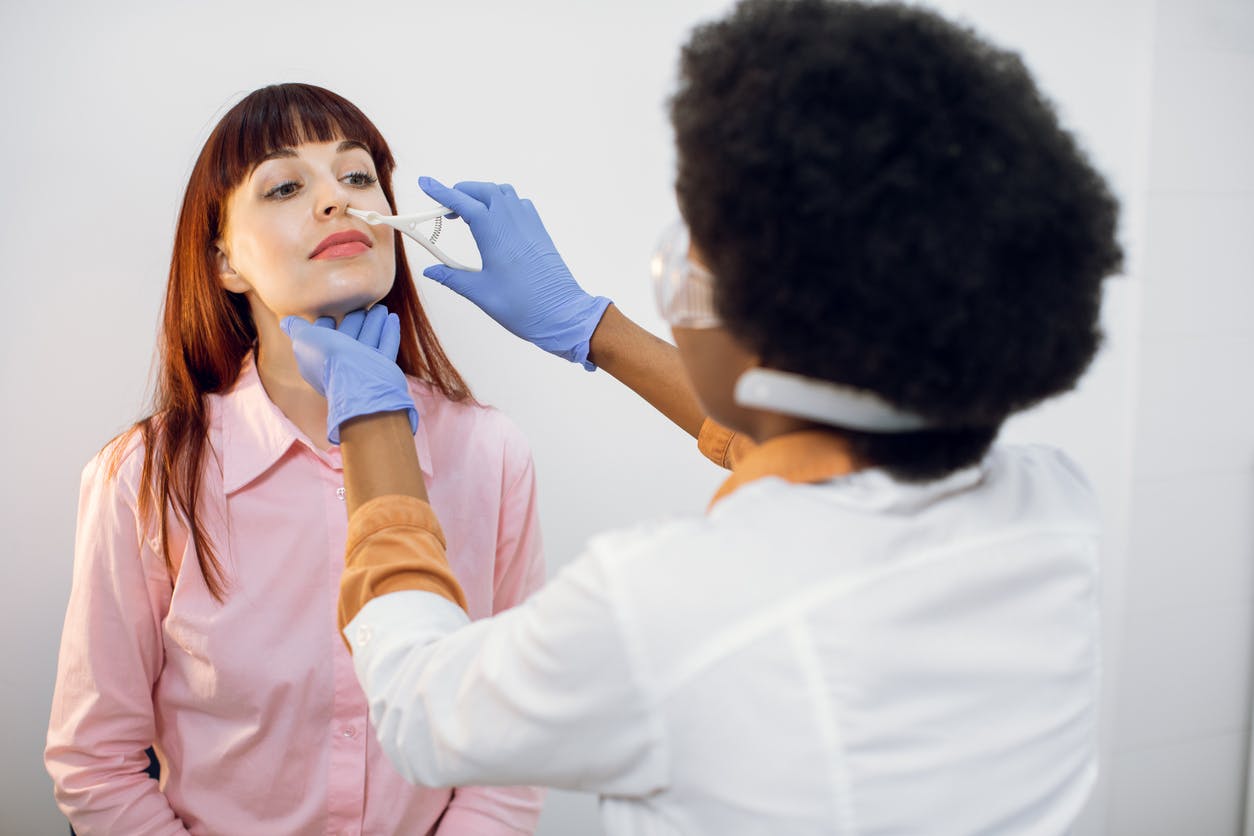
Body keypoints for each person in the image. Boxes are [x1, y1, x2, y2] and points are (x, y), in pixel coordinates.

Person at [284, 0, 1124, 832]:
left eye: (707, 251)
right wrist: (592, 328)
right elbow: (821, 449)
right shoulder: (1055, 507)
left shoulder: (668, 606)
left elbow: (423, 711)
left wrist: (372, 422)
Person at [46, 83, 545, 835]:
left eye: (356, 177)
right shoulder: (143, 477)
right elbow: (96, 766)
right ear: (224, 263)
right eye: (286, 186)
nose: (336, 202)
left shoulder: (490, 452)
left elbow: (509, 745)